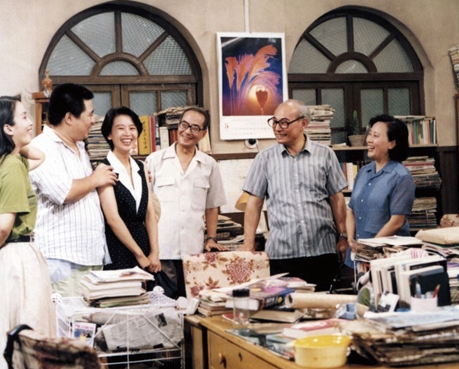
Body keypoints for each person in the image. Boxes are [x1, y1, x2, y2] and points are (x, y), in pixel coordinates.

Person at [0, 96, 56, 369]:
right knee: (28, 333)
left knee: (2, 336)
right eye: (24, 117)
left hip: (3, 260)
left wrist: (15, 143)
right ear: (7, 128)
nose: (31, 123)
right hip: (16, 257)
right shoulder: (12, 166)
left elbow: (39, 156)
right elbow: (4, 224)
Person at [240, 99, 348, 291]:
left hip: (322, 250)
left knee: (322, 303)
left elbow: (336, 198)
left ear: (303, 123)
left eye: (284, 123)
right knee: (285, 306)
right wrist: (248, 244)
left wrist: (343, 236)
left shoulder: (325, 155)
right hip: (282, 254)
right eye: (274, 122)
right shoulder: (264, 159)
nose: (277, 128)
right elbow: (254, 203)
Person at [29, 83, 118, 296]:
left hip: (89, 255)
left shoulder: (78, 145)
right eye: (90, 114)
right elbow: (64, 192)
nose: (93, 120)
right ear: (69, 118)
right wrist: (96, 178)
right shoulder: (42, 147)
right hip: (62, 259)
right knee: (66, 316)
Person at [146, 106, 227, 298]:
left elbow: (212, 206)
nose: (187, 131)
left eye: (195, 128)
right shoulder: (155, 161)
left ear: (203, 133)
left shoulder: (209, 165)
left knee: (193, 304)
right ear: (178, 126)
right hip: (162, 250)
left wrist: (211, 238)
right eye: (184, 125)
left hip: (194, 251)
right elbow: (146, 206)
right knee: (163, 305)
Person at [345, 114, 415, 268]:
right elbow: (351, 210)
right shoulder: (363, 171)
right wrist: (350, 239)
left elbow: (397, 222)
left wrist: (369, 249)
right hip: (358, 253)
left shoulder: (401, 176)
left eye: (375, 136)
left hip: (386, 257)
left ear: (392, 143)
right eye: (370, 134)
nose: (369, 140)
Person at [98, 107, 160, 275]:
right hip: (118, 249)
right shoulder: (104, 169)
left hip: (145, 247)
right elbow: (113, 219)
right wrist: (139, 255)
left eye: (132, 128)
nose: (128, 133)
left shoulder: (141, 166)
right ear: (109, 134)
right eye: (120, 128)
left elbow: (150, 213)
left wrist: (155, 252)